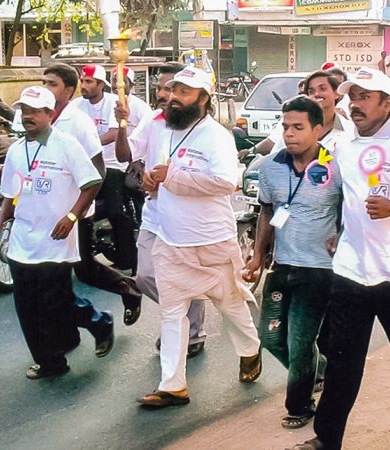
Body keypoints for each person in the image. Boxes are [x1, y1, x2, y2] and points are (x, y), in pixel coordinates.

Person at [288, 67, 390, 450]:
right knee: (343, 362)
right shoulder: (344, 145)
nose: (355, 104)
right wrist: (339, 229)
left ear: (387, 103)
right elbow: (339, 191)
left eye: (365, 97)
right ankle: (326, 439)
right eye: (352, 97)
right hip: (351, 271)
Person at [136, 67, 262, 408]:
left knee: (229, 303)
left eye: (184, 92)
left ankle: (250, 349)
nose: (174, 97)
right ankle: (173, 385)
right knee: (171, 311)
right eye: (173, 90)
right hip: (170, 238)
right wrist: (152, 182)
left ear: (203, 100)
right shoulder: (165, 132)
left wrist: (172, 176)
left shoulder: (216, 136)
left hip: (211, 241)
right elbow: (160, 175)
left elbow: (226, 182)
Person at [0, 86, 110, 379]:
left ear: (50, 114)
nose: (27, 117)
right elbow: (11, 191)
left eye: (33, 112)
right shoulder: (17, 150)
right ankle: (49, 362)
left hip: (56, 240)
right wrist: (2, 219)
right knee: (28, 307)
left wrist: (71, 216)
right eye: (23, 111)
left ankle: (98, 322)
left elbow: (92, 183)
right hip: (21, 241)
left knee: (54, 304)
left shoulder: (66, 145)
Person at [241, 96, 342, 430]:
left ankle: (300, 405)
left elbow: (352, 210)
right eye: (285, 127)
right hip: (282, 268)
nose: (289, 134)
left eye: (298, 127)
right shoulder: (270, 167)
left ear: (317, 129)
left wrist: (342, 234)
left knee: (300, 342)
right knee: (270, 338)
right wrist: (258, 255)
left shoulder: (336, 167)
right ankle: (321, 368)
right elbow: (267, 211)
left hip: (319, 270)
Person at [37, 63, 143, 328]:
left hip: (85, 195)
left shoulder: (79, 120)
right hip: (45, 203)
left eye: (52, 84)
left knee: (83, 268)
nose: (46, 89)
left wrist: (77, 210)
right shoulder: (41, 114)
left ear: (67, 89)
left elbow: (97, 168)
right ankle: (64, 337)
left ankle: (125, 289)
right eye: (44, 83)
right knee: (48, 273)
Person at [115, 63, 208, 357]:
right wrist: (121, 125)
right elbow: (125, 155)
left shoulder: (203, 129)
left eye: (176, 89)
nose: (167, 95)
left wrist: (172, 178)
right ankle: (180, 319)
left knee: (184, 276)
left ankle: (189, 333)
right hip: (154, 213)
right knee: (144, 276)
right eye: (164, 88)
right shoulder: (154, 121)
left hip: (187, 216)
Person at [71, 65, 137, 272]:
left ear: (101, 85)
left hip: (110, 164)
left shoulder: (112, 103)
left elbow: (114, 133)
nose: (84, 86)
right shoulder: (75, 106)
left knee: (116, 211)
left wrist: (88, 145)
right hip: (80, 164)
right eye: (82, 81)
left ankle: (128, 262)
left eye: (89, 82)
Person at [111, 66, 151, 224]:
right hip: (116, 160)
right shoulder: (111, 103)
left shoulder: (141, 108)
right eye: (114, 81)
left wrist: (139, 162)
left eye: (121, 82)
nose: (117, 85)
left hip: (134, 161)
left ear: (131, 85)